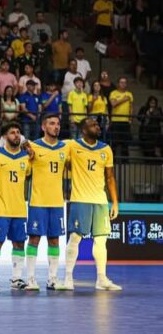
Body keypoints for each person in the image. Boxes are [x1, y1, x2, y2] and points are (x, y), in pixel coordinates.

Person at [61, 118, 122, 291]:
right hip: (80, 199)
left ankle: (101, 279)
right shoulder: (72, 145)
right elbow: (55, 152)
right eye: (93, 125)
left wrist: (115, 202)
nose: (97, 127)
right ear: (83, 130)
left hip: (101, 201)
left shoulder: (105, 149)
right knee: (75, 238)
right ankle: (67, 278)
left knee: (101, 240)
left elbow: (110, 177)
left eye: (97, 125)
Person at [25, 114, 68, 291]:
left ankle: (52, 279)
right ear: (43, 127)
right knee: (34, 239)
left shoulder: (65, 148)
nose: (56, 127)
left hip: (57, 202)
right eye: (52, 124)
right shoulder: (33, 146)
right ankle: (30, 278)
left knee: (54, 240)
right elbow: (25, 171)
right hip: (38, 201)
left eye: (58, 124)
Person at [0, 122, 31, 290]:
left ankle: (16, 279)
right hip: (0, 209)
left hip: (19, 209)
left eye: (18, 132)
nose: (16, 135)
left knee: (19, 243)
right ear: (4, 137)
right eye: (12, 132)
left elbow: (30, 175)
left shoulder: (26, 157)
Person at [109, 77, 133, 157]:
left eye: (124, 82)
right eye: (121, 82)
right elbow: (113, 104)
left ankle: (125, 160)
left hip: (125, 121)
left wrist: (130, 118)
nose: (123, 84)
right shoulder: (113, 93)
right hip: (115, 120)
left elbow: (131, 107)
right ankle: (113, 159)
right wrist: (123, 99)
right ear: (118, 83)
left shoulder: (129, 94)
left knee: (125, 142)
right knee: (114, 141)